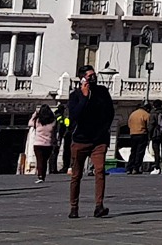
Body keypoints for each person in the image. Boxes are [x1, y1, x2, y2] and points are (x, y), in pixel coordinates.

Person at [66, 64, 114, 218]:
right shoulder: (75, 95)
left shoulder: (102, 92)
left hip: (98, 140)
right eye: (89, 76)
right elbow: (75, 116)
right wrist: (85, 97)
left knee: (100, 171)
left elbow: (110, 112)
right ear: (82, 79)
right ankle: (74, 207)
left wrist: (104, 129)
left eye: (94, 75)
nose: (93, 78)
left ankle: (99, 206)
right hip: (80, 139)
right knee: (76, 175)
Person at [27, 105, 57, 184]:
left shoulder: (37, 121)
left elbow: (29, 123)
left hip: (38, 144)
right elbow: (54, 133)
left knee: (39, 160)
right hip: (48, 144)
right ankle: (43, 175)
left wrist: (35, 114)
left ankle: (40, 176)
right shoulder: (53, 121)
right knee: (44, 161)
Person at [125, 101, 151, 174]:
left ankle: (129, 168)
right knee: (140, 152)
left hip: (133, 134)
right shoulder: (146, 114)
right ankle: (136, 168)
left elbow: (129, 124)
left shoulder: (133, 114)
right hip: (142, 134)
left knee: (133, 152)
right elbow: (149, 126)